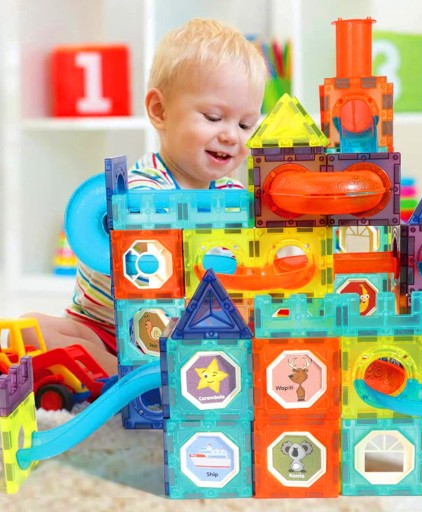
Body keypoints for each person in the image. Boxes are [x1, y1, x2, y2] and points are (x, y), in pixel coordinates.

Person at [26, 18, 267, 375]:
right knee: (32, 328)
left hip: (183, 338)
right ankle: (119, 375)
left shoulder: (235, 200)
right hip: (104, 330)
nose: (232, 135)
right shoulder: (142, 190)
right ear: (159, 110)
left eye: (246, 124)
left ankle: (139, 376)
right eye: (214, 117)